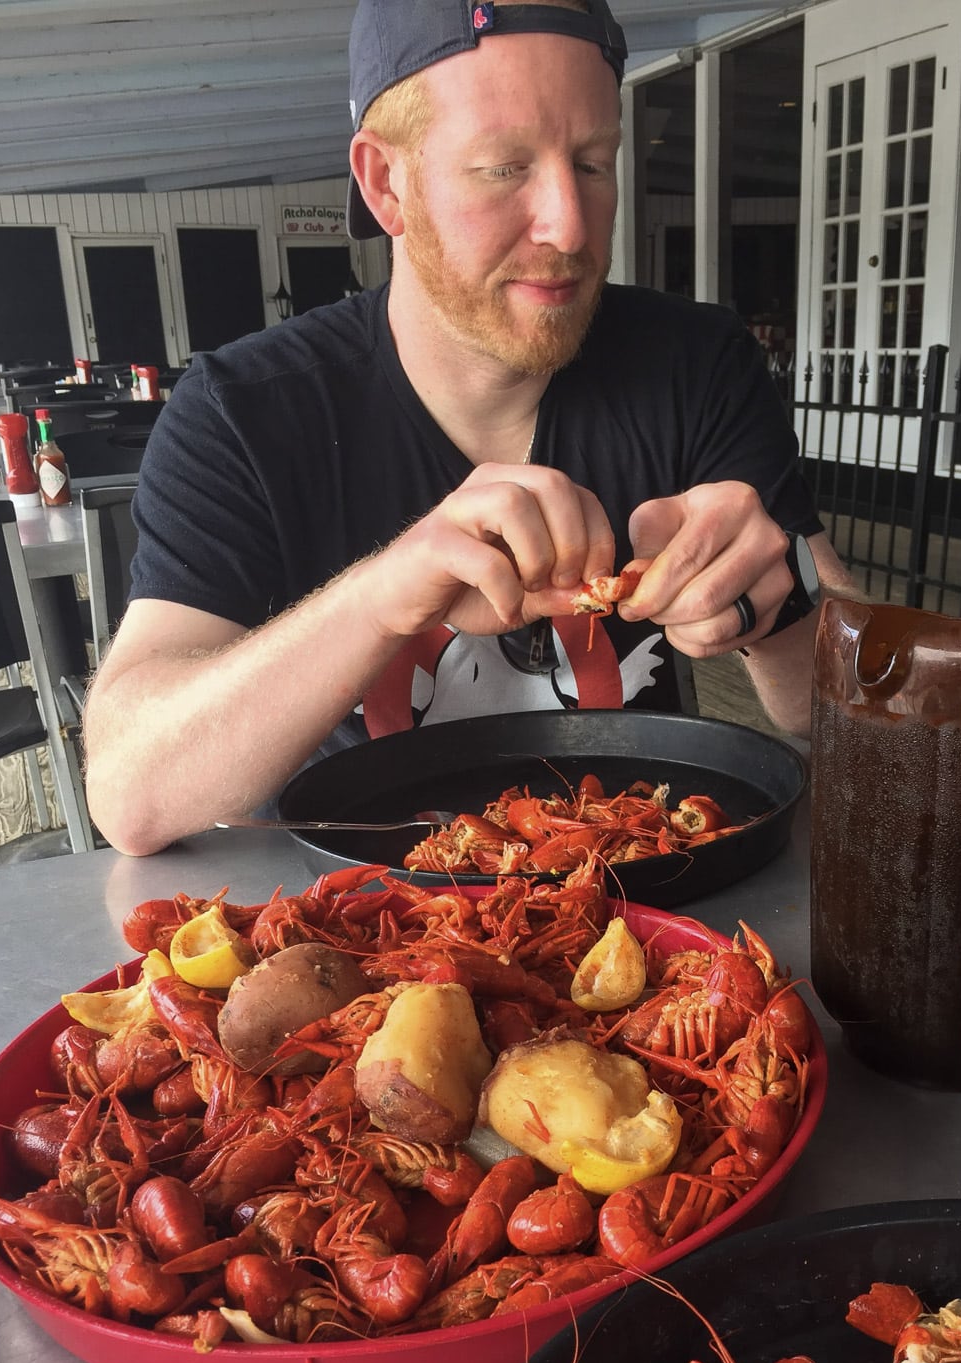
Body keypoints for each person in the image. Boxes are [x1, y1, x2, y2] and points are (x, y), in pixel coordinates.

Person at [83, 0, 849, 857]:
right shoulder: (245, 409)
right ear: (386, 184)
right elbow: (130, 795)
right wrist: (381, 594)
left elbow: (873, 718)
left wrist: (782, 600)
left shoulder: (697, 363)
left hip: (654, 910)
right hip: (366, 930)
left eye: (594, 163)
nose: (568, 225)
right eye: (503, 167)